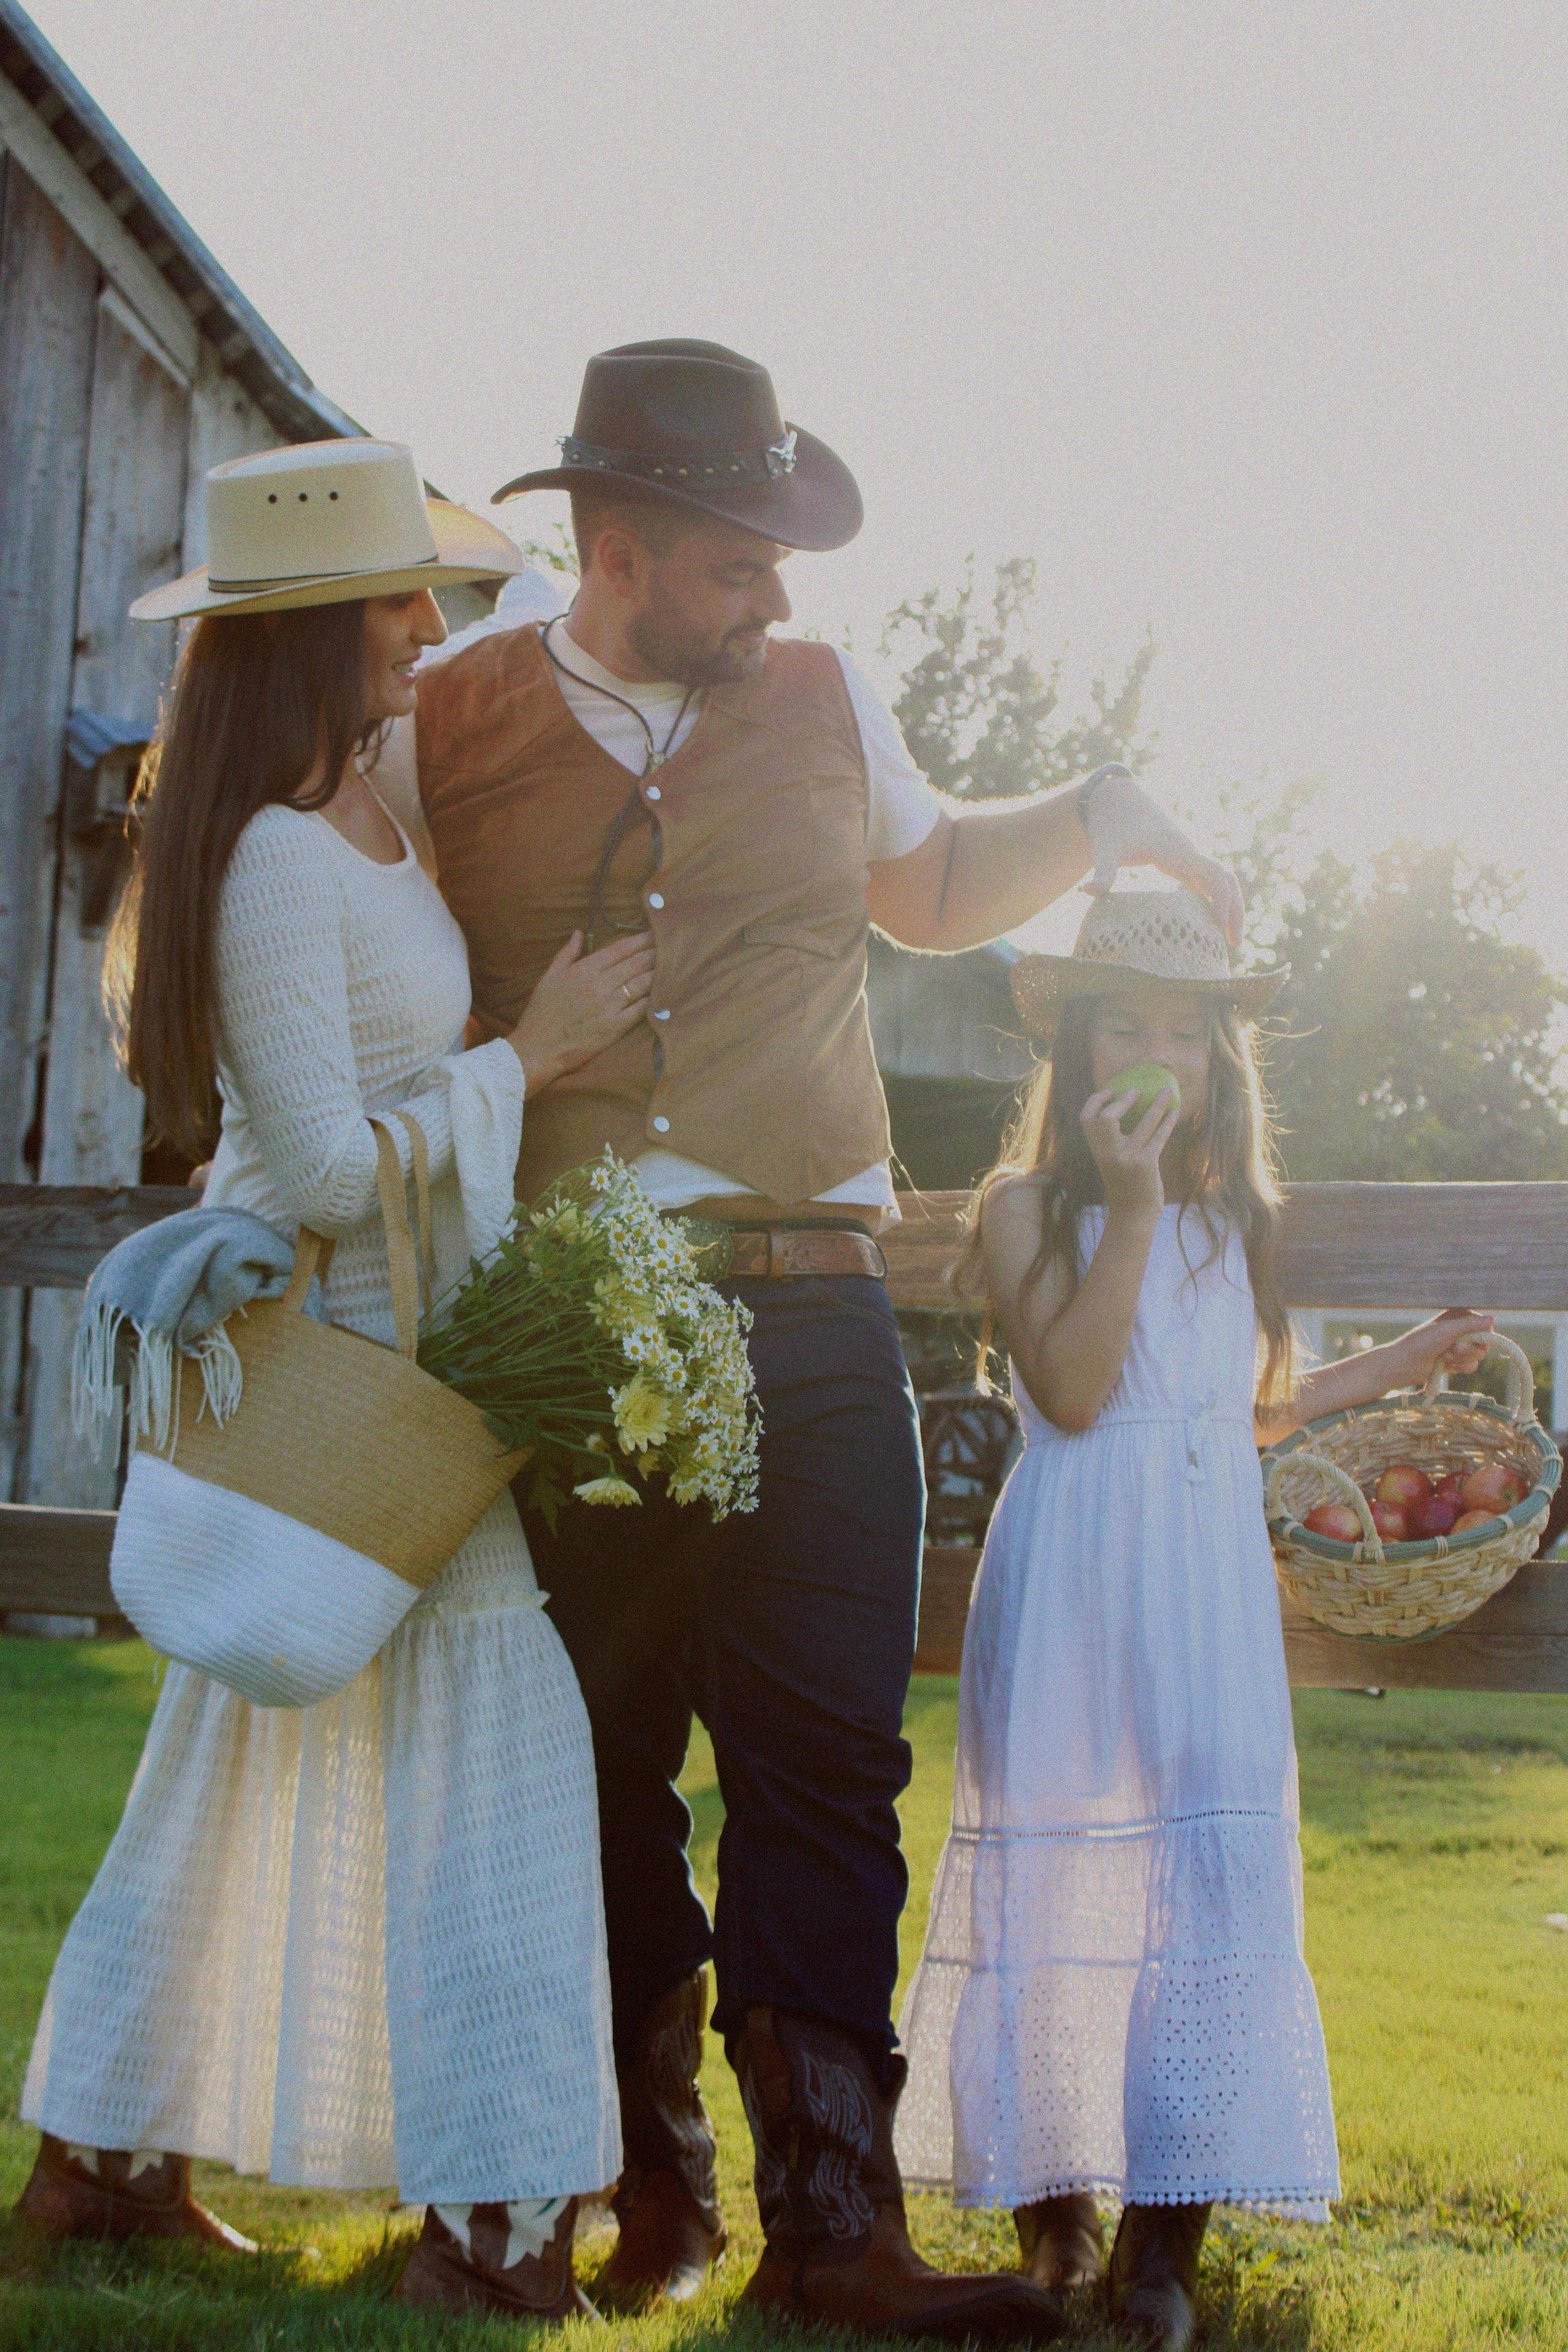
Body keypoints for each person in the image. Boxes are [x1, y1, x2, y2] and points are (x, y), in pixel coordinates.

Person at [388, 336, 1250, 2340]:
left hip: (822, 1313)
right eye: (734, 559)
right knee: (589, 1765)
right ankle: (649, 2193)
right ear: (613, 543)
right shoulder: (447, 725)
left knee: (828, 1766)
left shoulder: (829, 694)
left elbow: (938, 883)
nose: (776, 593)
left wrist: (1109, 803)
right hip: (576, 1332)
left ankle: (833, 2229)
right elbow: (348, 951)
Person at [17, 440, 646, 2326]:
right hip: (357, 1366)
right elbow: (293, 1166)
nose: (423, 620)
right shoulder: (278, 861)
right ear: (307, 632)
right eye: (389, 595)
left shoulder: (368, 795)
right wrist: (526, 1059)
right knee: (503, 1748)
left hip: (408, 1341)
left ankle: (102, 2158)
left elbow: (540, 628)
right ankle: (496, 2221)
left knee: (240, 1740)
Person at [893, 886, 1495, 2352]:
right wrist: (1136, 1200)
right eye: (1124, 1027)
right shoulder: (1029, 1205)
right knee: (1060, 1866)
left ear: (1222, 1058)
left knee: (1209, 1875)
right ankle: (1057, 2209)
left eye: (1185, 1028)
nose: (1155, 1051)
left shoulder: (1237, 1218)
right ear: (1077, 1054)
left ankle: (1169, 2235)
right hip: (1077, 1561)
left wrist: (1391, 1369)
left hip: (1204, 1571)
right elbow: (1087, 1390)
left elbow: (1234, 1410)